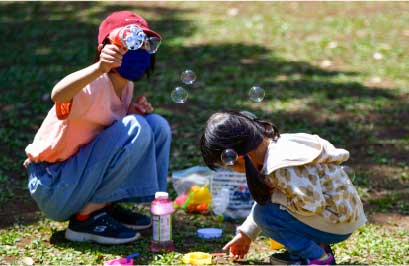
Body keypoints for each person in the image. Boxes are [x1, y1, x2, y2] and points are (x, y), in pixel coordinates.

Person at [24, 11, 172, 245]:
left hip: (75, 179)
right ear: (107, 47)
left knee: (155, 125)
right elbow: (58, 94)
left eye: (145, 43)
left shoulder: (126, 86)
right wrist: (99, 68)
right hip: (53, 185)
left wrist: (131, 113)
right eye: (130, 43)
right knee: (137, 127)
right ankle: (86, 219)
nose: (139, 50)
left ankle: (105, 206)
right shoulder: (92, 83)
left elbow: (101, 131)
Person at [200, 111, 366, 265]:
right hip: (342, 216)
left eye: (228, 165)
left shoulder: (279, 166)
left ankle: (318, 258)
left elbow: (311, 204)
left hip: (337, 224)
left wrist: (275, 197)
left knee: (266, 215)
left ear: (237, 157)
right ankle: (315, 247)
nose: (232, 169)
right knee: (269, 209)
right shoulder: (277, 144)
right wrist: (246, 234)